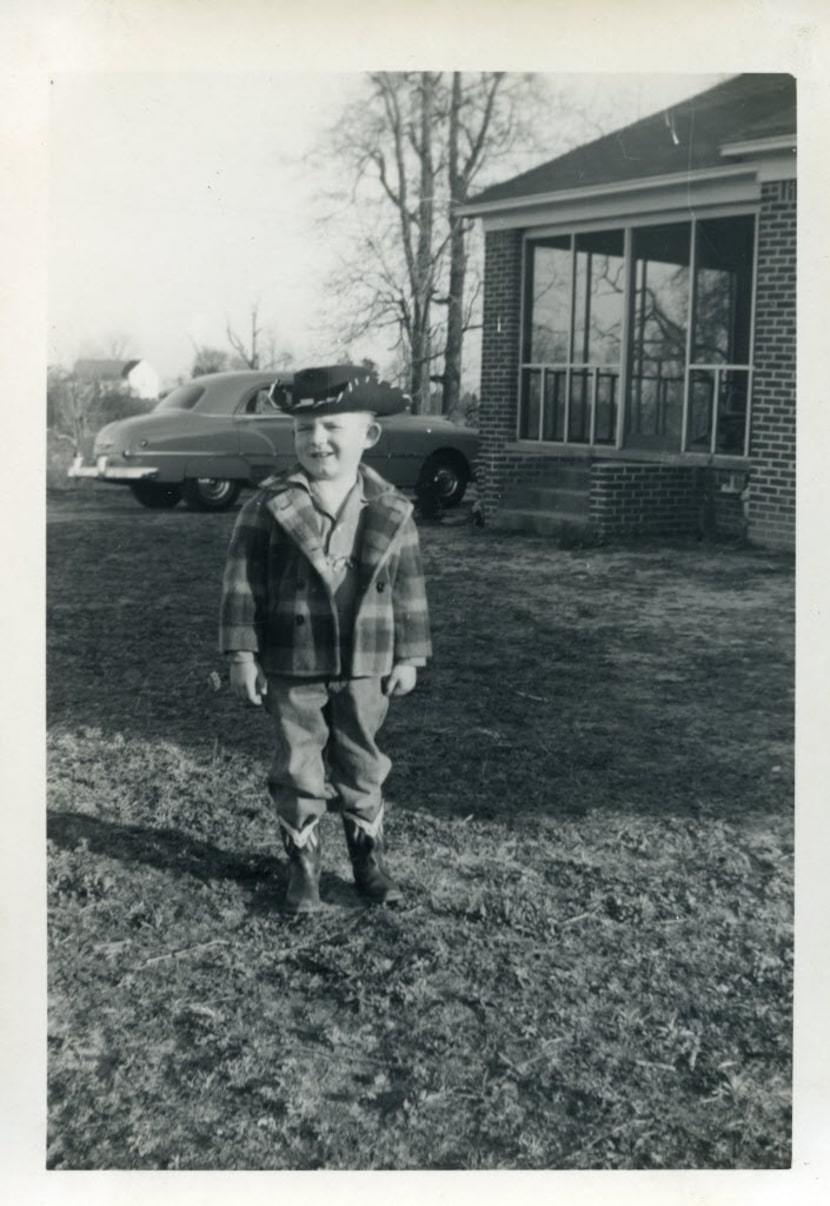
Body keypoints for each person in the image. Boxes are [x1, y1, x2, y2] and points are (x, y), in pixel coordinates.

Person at [219, 365, 431, 914]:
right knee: (298, 761)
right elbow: (242, 584)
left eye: (333, 427)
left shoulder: (392, 509)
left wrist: (410, 654)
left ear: (370, 435)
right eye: (303, 430)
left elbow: (409, 587)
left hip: (368, 660)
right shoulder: (268, 506)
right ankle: (304, 871)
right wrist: (243, 655)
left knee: (363, 760)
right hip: (294, 660)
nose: (317, 441)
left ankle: (368, 865)